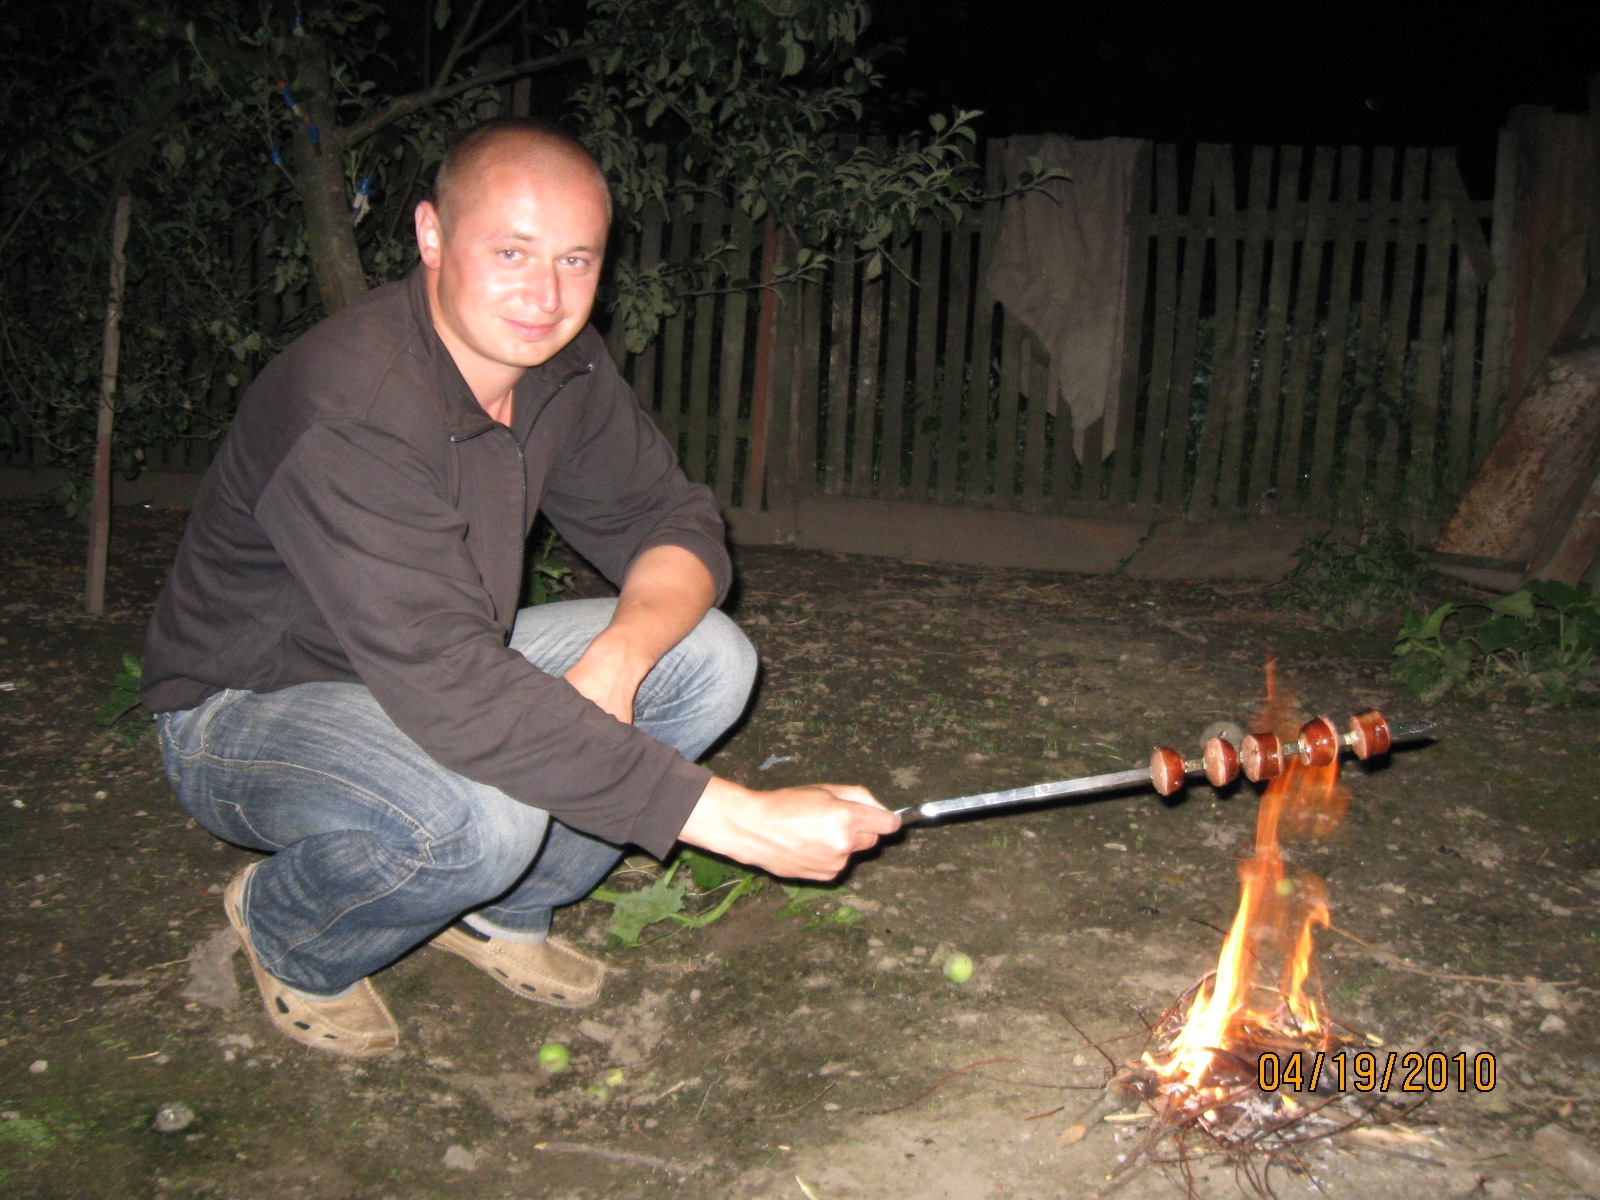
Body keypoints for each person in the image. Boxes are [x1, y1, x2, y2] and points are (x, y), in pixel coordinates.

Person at [142, 118, 899, 1058]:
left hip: (433, 663)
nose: (546, 296)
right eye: (511, 252)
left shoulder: (557, 366)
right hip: (249, 705)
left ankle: (498, 910)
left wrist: (619, 658)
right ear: (431, 235)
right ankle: (293, 928)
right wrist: (736, 820)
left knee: (704, 658)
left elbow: (672, 522)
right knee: (478, 815)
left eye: (576, 260)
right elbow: (452, 684)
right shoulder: (352, 406)